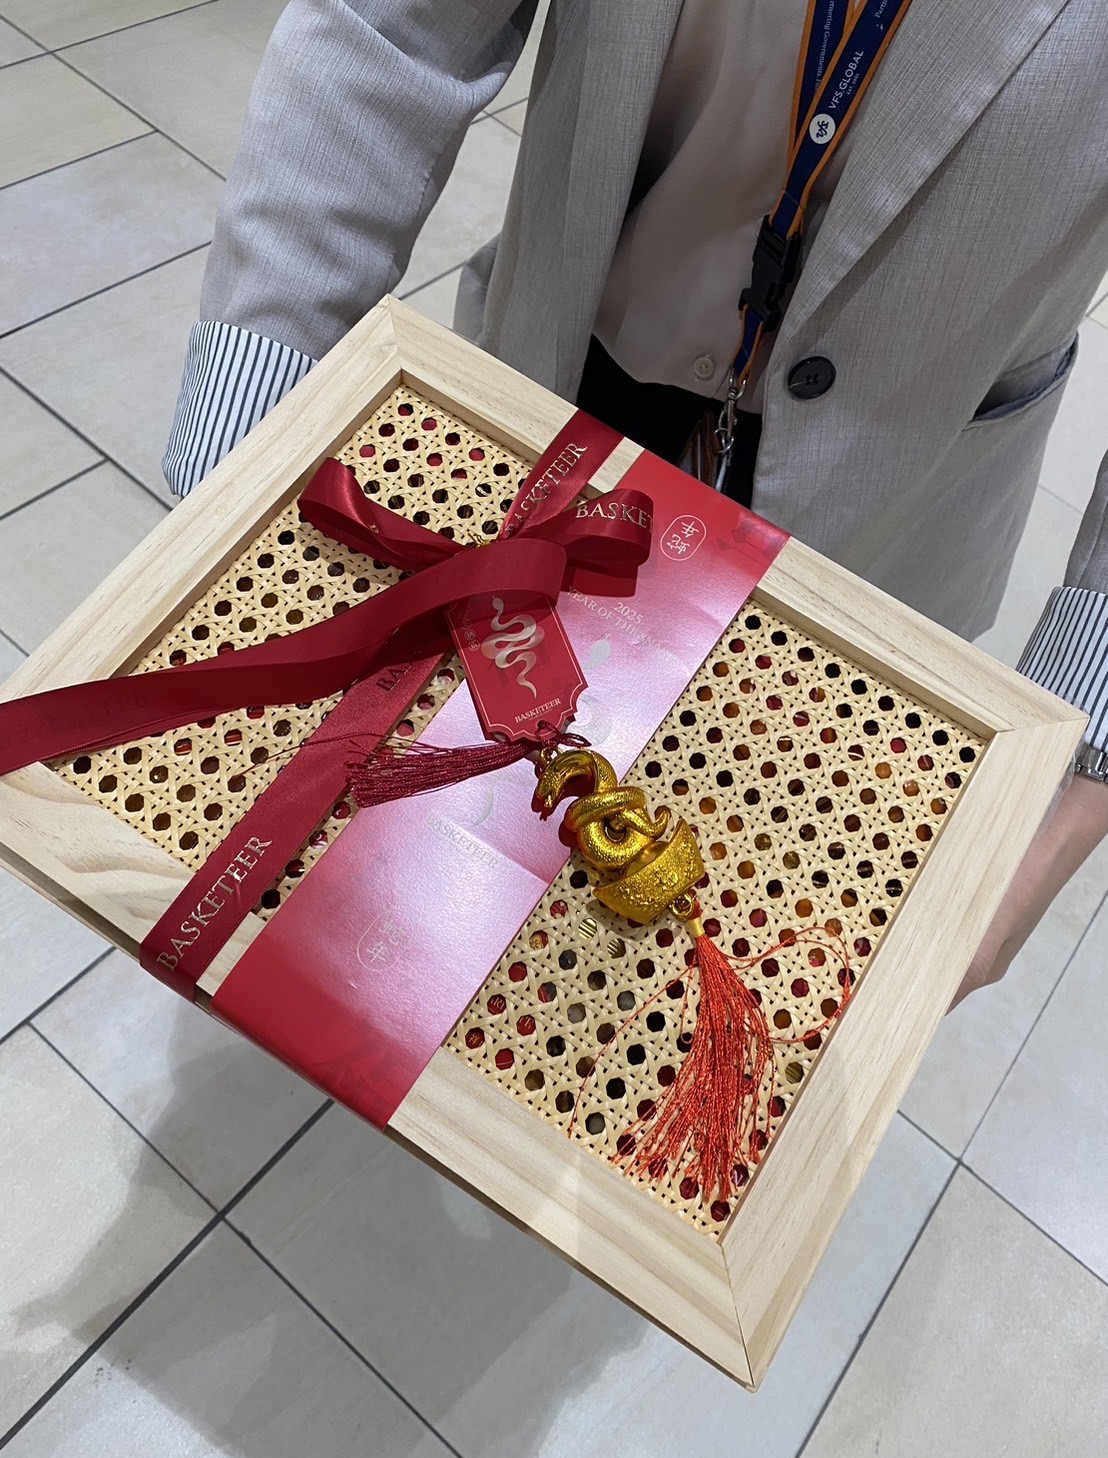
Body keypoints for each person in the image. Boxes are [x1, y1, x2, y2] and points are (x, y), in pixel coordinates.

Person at [164, 0, 1108, 1006]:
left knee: (670, 973)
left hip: (896, 500)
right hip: (559, 385)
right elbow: (394, 29)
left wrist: (1078, 767)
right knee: (416, 869)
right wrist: (246, 457)